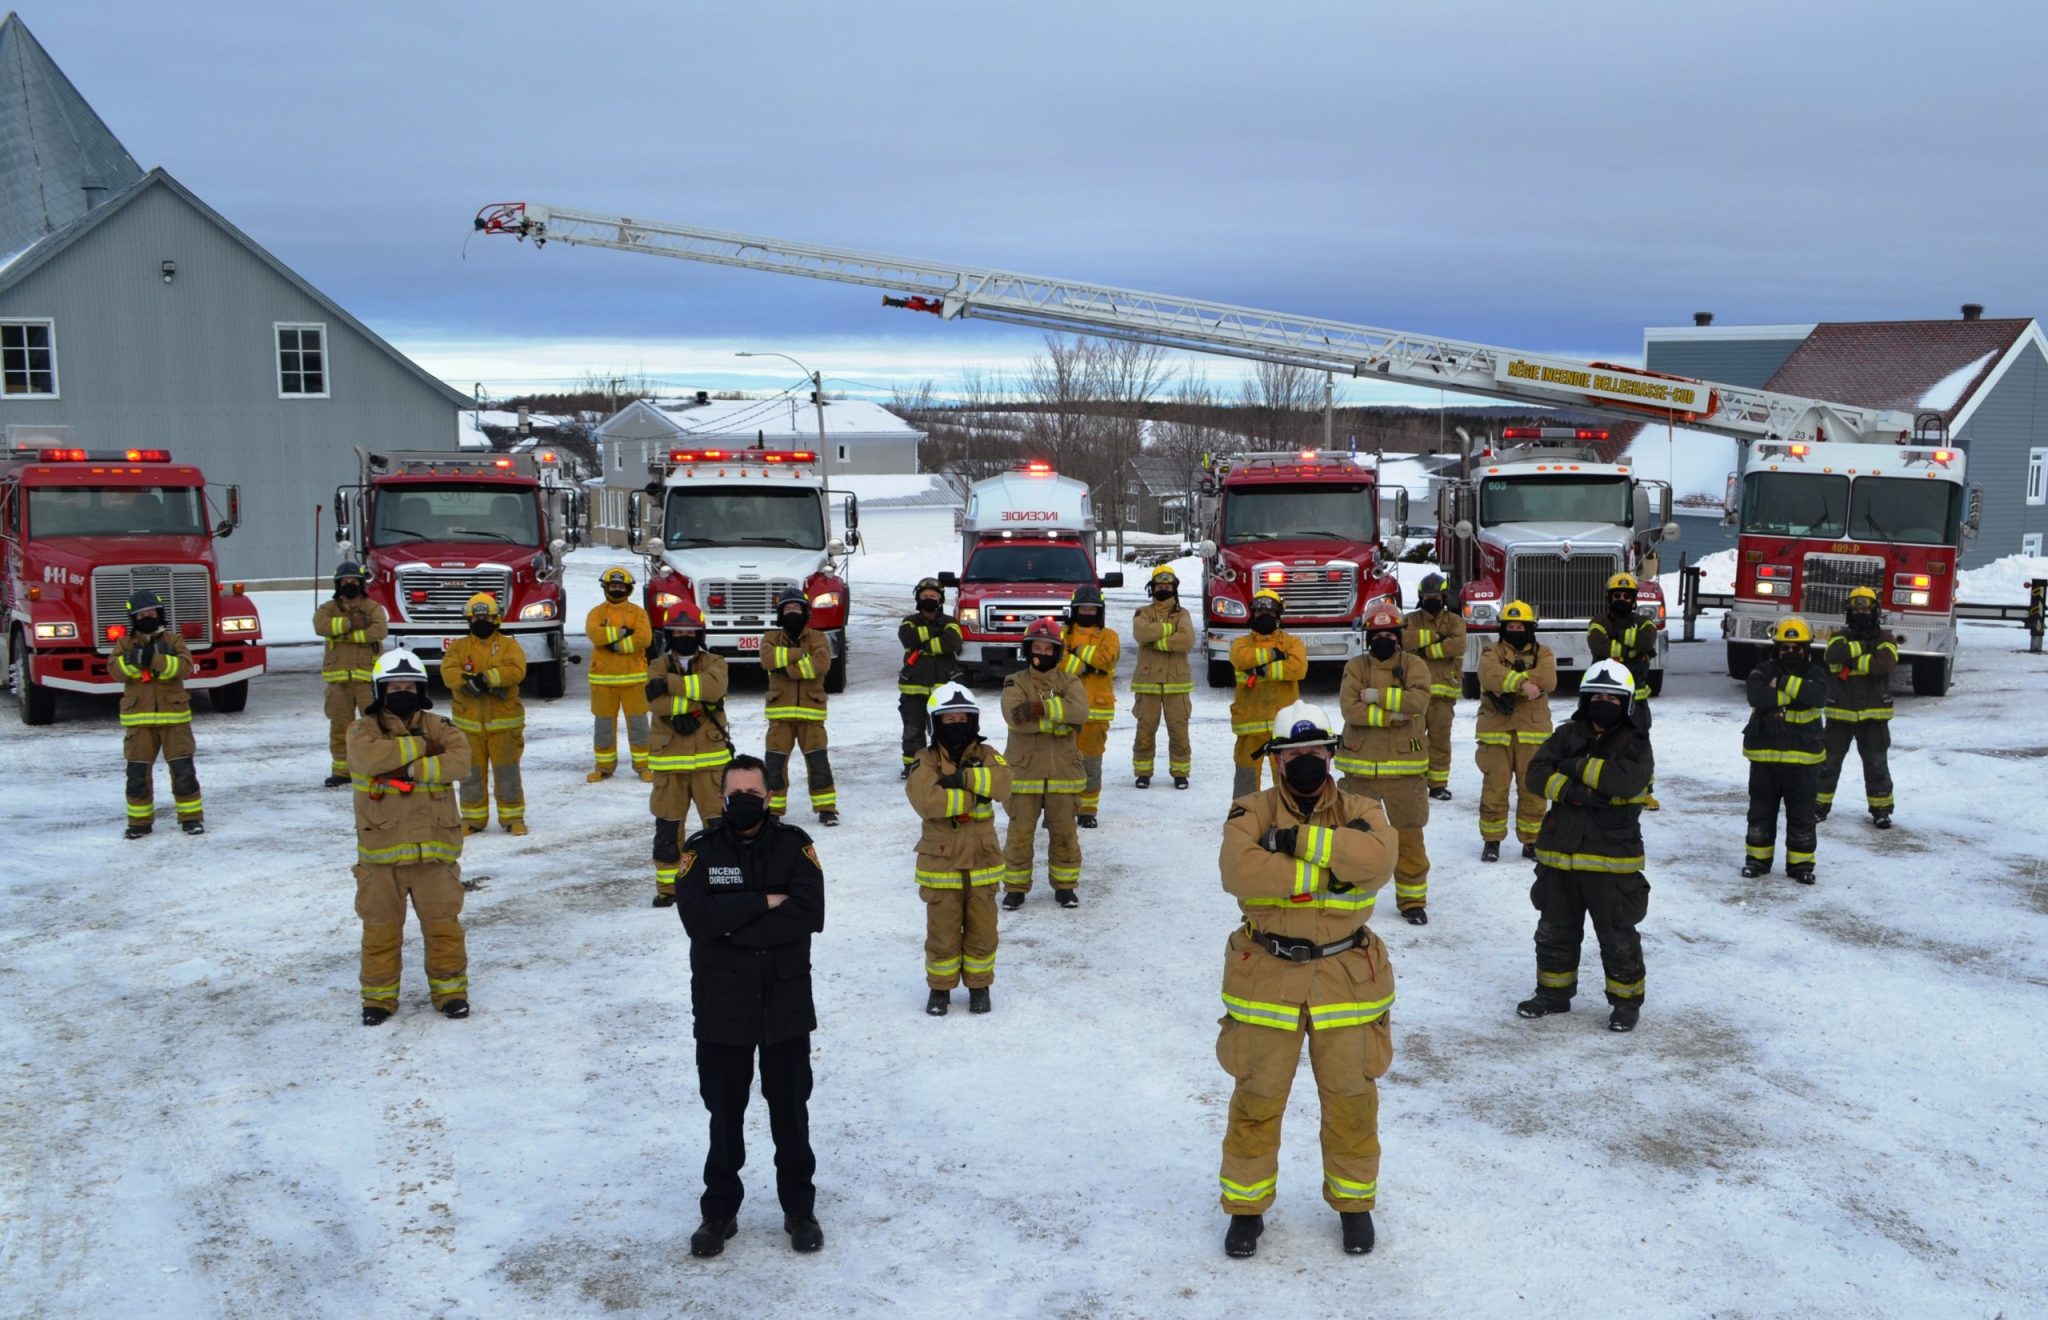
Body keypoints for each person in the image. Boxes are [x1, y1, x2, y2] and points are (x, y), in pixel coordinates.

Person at [1215, 701, 1397, 1260]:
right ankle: (1246, 1212)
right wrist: (1330, 870)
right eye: (1294, 752)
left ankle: (1354, 1208)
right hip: (1265, 975)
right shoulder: (1249, 809)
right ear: (1276, 758)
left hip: (1346, 977)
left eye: (1315, 751)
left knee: (1352, 1101)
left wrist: (1293, 844)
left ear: (1330, 754)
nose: (1306, 761)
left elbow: (1379, 861)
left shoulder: (1366, 806)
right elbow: (1238, 871)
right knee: (1256, 1098)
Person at [676, 754, 827, 1258]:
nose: (743, 803)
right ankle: (719, 1213)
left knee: (791, 1112)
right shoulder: (701, 849)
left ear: (769, 798)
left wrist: (731, 925)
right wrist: (764, 902)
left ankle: (799, 1209)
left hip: (784, 1003)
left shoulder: (795, 845)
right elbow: (696, 918)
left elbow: (810, 912)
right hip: (722, 1005)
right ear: (721, 799)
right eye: (734, 795)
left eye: (752, 796)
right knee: (724, 1114)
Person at [1516, 659, 1654, 1032]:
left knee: (1617, 935)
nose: (1603, 702)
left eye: (1612, 697)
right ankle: (1552, 995)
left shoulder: (1636, 743)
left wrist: (1573, 766)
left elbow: (1625, 781)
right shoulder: (1565, 735)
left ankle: (1626, 1003)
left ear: (1625, 704)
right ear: (1585, 699)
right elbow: (1536, 774)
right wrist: (1579, 789)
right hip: (1559, 856)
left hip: (1612, 862)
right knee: (1554, 931)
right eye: (1597, 696)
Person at [347, 648, 473, 1025]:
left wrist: (410, 768)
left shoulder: (442, 725)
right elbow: (368, 760)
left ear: (421, 689)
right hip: (380, 858)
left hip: (434, 856)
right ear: (380, 690)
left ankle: (451, 992)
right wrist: (421, 747)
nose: (401, 691)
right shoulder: (360, 729)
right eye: (394, 685)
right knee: (380, 932)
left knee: (444, 928)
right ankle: (378, 999)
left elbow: (461, 761)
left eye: (409, 685)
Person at [906, 683, 1012, 1015]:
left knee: (983, 929)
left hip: (982, 860)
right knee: (942, 932)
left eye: (963, 718)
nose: (957, 724)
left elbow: (1004, 784)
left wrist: (959, 781)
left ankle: (980, 987)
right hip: (941, 866)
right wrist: (975, 792)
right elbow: (927, 801)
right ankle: (940, 990)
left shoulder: (988, 754)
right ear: (935, 724)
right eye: (949, 719)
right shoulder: (925, 760)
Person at [1336, 602, 1434, 923]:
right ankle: (1349, 895)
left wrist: (1375, 697)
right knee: (1355, 835)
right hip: (1359, 769)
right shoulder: (1355, 666)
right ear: (1368, 636)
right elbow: (1350, 709)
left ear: (1399, 636)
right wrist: (1396, 715)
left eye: (1389, 633)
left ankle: (1412, 900)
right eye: (1377, 633)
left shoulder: (1415, 665)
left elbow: (1418, 701)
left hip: (1405, 772)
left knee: (1409, 836)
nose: (1383, 639)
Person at [999, 616, 1090, 908]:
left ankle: (1065, 887)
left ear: (1057, 652)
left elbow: (1080, 714)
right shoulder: (1015, 682)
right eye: (1036, 647)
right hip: (1024, 774)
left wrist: (1038, 709)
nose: (1042, 653)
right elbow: (1016, 719)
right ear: (1028, 650)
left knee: (1065, 833)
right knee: (1019, 835)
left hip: (1063, 774)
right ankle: (1015, 888)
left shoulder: (1071, 682)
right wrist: (1060, 722)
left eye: (1048, 648)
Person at [646, 599, 731, 907]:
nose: (684, 635)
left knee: (718, 828)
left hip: (710, 765)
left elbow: (714, 689)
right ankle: (669, 888)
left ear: (700, 633)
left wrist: (671, 685)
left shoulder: (715, 662)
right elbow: (655, 703)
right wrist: (696, 702)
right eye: (678, 630)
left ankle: (722, 882)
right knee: (668, 829)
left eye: (690, 630)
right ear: (669, 634)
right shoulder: (656, 664)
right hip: (669, 766)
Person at [112, 589, 203, 837]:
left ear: (159, 613)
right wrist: (140, 662)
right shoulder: (124, 644)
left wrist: (153, 659)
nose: (146, 616)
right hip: (139, 722)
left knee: (184, 772)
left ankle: (191, 819)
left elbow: (184, 668)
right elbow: (116, 670)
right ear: (134, 618)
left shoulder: (174, 641)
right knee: (137, 775)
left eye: (151, 612)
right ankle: (139, 823)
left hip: (175, 721)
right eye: (141, 614)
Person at [1742, 617, 1827, 883]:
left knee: (1802, 816)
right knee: (1760, 814)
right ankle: (1756, 861)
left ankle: (1801, 866)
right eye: (1785, 648)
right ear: (1776, 648)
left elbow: (1818, 696)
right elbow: (1756, 695)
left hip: (1802, 762)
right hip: (1764, 760)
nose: (1790, 653)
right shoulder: (1762, 669)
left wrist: (1781, 683)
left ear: (1806, 650)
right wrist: (1797, 693)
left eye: (1796, 648)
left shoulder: (1816, 673)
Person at [441, 593, 529, 835]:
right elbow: (448, 671)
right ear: (468, 620)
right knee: (470, 774)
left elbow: (516, 670)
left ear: (496, 618)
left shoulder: (510, 646)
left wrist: (487, 679)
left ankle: (513, 818)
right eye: (476, 617)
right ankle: (472, 820)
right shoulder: (459, 647)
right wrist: (466, 681)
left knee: (507, 773)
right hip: (469, 726)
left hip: (504, 725)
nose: (481, 621)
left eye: (485, 616)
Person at [1474, 600, 1555, 863]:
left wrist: (1505, 685)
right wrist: (1522, 683)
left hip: (1532, 733)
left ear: (1530, 628)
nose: (1515, 629)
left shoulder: (1544, 653)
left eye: (1520, 625)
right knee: (1494, 789)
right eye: (1510, 625)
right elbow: (1488, 674)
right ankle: (1492, 840)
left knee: (1532, 789)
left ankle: (1532, 841)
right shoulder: (1491, 651)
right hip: (1496, 734)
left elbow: (1548, 679)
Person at [1817, 586, 1899, 829]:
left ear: (1874, 611)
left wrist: (1851, 662)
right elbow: (1833, 656)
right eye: (1856, 608)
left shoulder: (1886, 638)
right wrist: (1866, 649)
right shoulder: (1838, 637)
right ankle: (1818, 806)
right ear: (1849, 611)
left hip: (1874, 715)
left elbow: (1884, 664)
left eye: (1865, 608)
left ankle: (1881, 810)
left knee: (1876, 766)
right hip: (1840, 712)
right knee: (1827, 764)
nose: (1861, 612)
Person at [761, 587, 838, 826]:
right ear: (780, 613)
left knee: (818, 763)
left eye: (796, 608)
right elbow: (767, 660)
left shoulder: (818, 638)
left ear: (805, 612)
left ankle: (826, 808)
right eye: (787, 608)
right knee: (774, 766)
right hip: (779, 716)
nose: (792, 612)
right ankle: (772, 811)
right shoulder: (769, 638)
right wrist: (800, 655)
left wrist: (785, 668)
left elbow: (821, 665)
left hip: (811, 715)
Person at [1586, 570, 1661, 809]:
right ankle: (1598, 786)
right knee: (1598, 740)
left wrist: (1616, 640)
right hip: (1603, 698)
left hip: (1636, 701)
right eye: (1617, 595)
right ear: (1610, 598)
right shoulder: (1598, 622)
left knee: (1640, 743)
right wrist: (1632, 651)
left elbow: (1647, 641)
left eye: (1626, 596)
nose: (1622, 600)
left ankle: (1646, 790)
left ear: (1633, 599)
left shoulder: (1644, 622)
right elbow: (1599, 646)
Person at [313, 561, 389, 788]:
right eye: (345, 581)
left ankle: (374, 768)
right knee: (340, 727)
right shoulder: (328, 608)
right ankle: (342, 770)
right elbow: (320, 626)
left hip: (366, 682)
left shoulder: (373, 607)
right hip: (338, 683)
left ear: (361, 583)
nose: (349, 584)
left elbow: (380, 630)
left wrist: (345, 635)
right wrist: (353, 623)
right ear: (338, 584)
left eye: (353, 581)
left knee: (374, 726)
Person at [1227, 590, 1309, 798]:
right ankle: (1244, 817)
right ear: (1252, 614)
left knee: (1287, 776)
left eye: (1270, 612)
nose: (1264, 616)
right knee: (1245, 776)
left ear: (1279, 615)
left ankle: (1287, 814)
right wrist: (1274, 656)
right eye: (1259, 611)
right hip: (1249, 725)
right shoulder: (1240, 644)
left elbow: (1298, 668)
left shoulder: (1292, 643)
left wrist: (1262, 670)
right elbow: (1241, 659)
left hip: (1282, 726)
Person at [585, 565, 654, 784]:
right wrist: (623, 633)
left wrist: (615, 645)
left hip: (634, 681)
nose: (616, 590)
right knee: (603, 726)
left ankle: (644, 766)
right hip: (603, 682)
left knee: (639, 726)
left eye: (620, 586)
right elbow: (594, 633)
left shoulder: (638, 613)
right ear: (606, 587)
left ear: (628, 589)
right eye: (613, 586)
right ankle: (604, 767)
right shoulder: (596, 612)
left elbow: (644, 638)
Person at [1130, 564, 1195, 789]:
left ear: (1174, 587)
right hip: (1147, 684)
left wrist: (1156, 639)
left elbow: (1187, 640)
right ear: (1153, 588)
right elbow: (1140, 632)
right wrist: (1170, 630)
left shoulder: (1183, 614)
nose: (1164, 589)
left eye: (1168, 585)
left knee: (1179, 730)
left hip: (1176, 684)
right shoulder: (1143, 612)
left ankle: (1180, 774)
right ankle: (1143, 773)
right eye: (1160, 585)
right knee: (1145, 730)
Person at [1402, 573, 1466, 802]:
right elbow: (1403, 639)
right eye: (1428, 596)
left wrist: (1426, 650)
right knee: (1414, 740)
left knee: (1440, 740)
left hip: (1443, 695)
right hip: (1414, 694)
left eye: (1436, 596)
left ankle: (1438, 785)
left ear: (1444, 597)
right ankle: (1414, 780)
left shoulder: (1455, 621)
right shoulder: (1410, 619)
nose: (1432, 599)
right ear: (1421, 596)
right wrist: (1436, 637)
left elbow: (1458, 645)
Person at [1061, 585, 1121, 827]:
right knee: (1062, 763)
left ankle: (1087, 812)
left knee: (1091, 764)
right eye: (1083, 608)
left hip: (1096, 713)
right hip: (1064, 711)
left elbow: (1106, 659)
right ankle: (1061, 809)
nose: (1087, 612)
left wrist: (1076, 652)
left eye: (1091, 608)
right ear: (1075, 610)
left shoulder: (1110, 636)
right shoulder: (1061, 634)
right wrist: (1087, 666)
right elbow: (1055, 662)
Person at [897, 577, 964, 778]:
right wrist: (936, 635)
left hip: (943, 691)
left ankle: (945, 765)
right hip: (913, 690)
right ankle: (913, 767)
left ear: (940, 599)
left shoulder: (951, 623)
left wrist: (924, 644)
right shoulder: (909, 622)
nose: (929, 599)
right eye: (925, 596)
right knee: (912, 731)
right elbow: (908, 638)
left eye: (933, 596)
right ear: (918, 599)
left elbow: (953, 643)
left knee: (944, 731)